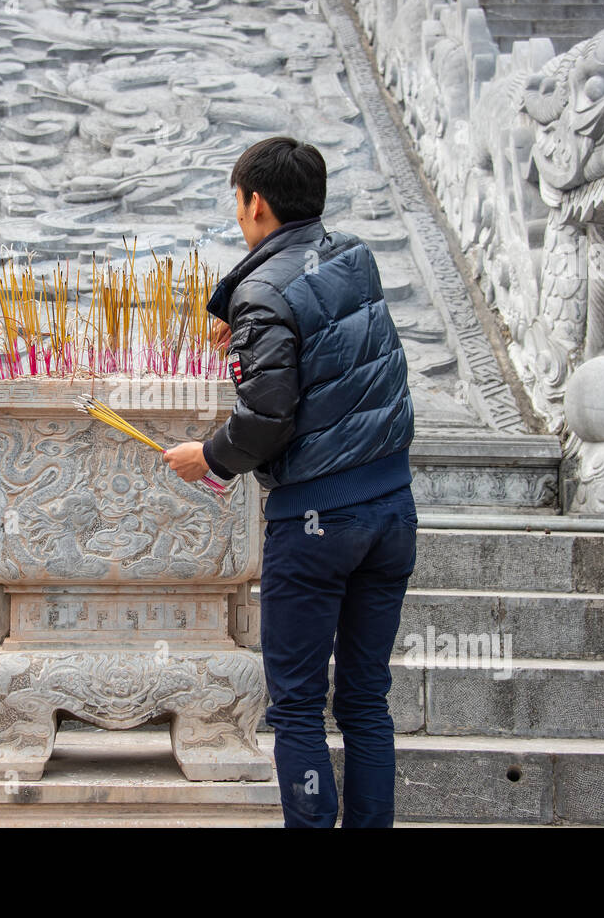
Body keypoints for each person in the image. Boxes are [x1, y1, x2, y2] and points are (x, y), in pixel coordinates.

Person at [163, 136, 417, 828]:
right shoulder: (354, 258)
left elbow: (267, 417)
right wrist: (247, 328)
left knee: (299, 703)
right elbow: (330, 338)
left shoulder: (261, 290)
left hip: (316, 520)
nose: (239, 215)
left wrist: (208, 458)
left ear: (257, 202)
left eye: (238, 202)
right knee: (366, 699)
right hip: (392, 508)